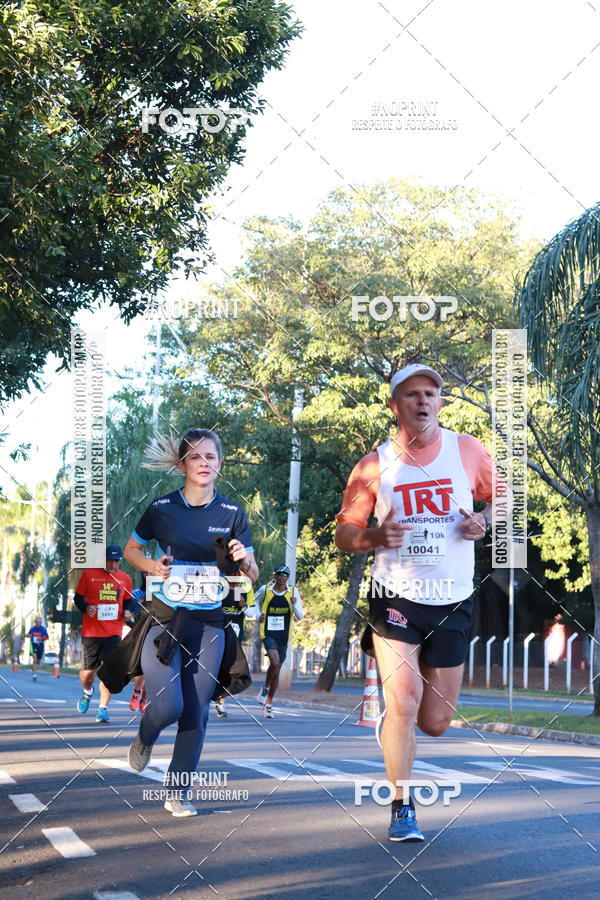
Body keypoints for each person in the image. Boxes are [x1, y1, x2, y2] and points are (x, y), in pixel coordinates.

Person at [335, 363, 493, 842]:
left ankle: (399, 718)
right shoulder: (373, 465)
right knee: (404, 700)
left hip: (452, 600)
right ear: (394, 405)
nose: (423, 401)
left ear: (440, 402)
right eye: (411, 394)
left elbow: (502, 500)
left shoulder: (468, 451)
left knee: (437, 721)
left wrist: (482, 522)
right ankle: (402, 807)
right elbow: (344, 533)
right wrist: (374, 535)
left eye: (431, 393)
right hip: (393, 595)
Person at [123, 427, 258, 817]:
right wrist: (153, 566)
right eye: (196, 457)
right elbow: (132, 549)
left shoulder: (232, 513)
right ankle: (146, 734)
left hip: (210, 623)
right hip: (164, 618)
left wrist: (244, 560)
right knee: (168, 706)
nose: (204, 463)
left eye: (211, 457)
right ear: (182, 464)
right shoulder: (162, 508)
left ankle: (177, 791)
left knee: (196, 711)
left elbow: (251, 574)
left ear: (220, 464)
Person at [73, 545, 134, 722]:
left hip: (113, 632)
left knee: (109, 671)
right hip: (91, 632)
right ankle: (87, 692)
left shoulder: (125, 578)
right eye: (110, 560)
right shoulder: (89, 574)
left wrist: (128, 612)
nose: (113, 564)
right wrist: (86, 607)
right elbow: (77, 598)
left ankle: (103, 708)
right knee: (87, 674)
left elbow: (128, 601)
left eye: (117, 561)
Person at [252, 565, 304, 718]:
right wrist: (258, 615)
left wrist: (294, 604)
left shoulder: (293, 592)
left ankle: (268, 703)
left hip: (284, 635)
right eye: (279, 574)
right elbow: (252, 602)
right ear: (274, 575)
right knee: (274, 662)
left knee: (277, 669)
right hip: (268, 633)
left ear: (288, 577)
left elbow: (300, 616)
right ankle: (265, 688)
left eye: (285, 575)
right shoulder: (265, 589)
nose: (282, 577)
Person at [213, 577, 255, 718]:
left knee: (229, 670)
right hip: (219, 634)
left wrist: (243, 605)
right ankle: (210, 695)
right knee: (217, 667)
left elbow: (252, 614)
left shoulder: (244, 590)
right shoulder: (219, 587)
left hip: (236, 638)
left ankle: (220, 701)